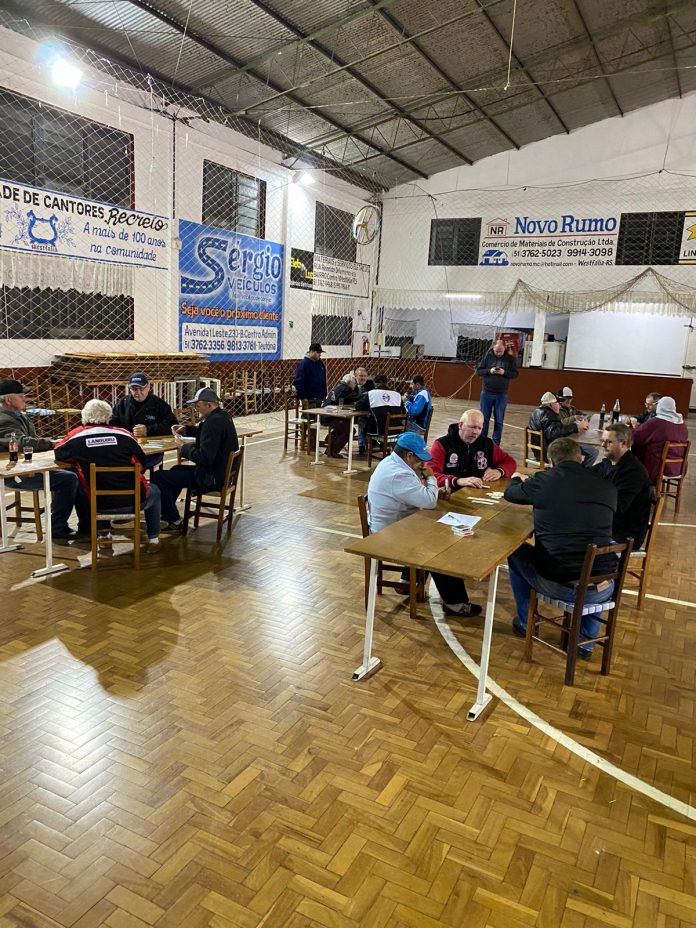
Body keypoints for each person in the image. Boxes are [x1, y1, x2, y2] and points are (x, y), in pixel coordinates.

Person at [504, 437, 618, 661]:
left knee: (516, 551)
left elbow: (511, 493)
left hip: (561, 584)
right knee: (595, 564)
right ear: (581, 458)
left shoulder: (544, 481)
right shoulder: (606, 486)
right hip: (604, 586)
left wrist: (516, 478)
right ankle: (585, 643)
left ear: (551, 462)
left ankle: (526, 623)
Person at [367, 432, 482, 616]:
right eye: (420, 459)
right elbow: (428, 502)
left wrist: (434, 492)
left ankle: (407, 580)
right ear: (409, 456)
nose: (423, 464)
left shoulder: (392, 462)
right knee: (439, 547)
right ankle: (455, 602)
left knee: (431, 536)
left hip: (394, 525)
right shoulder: (399, 474)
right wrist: (431, 478)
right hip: (388, 535)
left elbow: (415, 494)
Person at [54, 399, 161, 546]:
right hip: (134, 500)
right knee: (156, 490)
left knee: (90, 485)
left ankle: (104, 535)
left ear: (84, 416)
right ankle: (154, 539)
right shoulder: (125, 435)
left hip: (97, 504)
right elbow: (141, 464)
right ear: (108, 417)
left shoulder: (75, 437)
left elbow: (59, 453)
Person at [0, 378, 79, 540]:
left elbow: (31, 441)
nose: (25, 398)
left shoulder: (19, 415)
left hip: (26, 466)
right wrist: (51, 443)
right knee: (68, 479)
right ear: (8, 400)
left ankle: (80, 523)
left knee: (74, 469)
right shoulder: (3, 420)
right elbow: (22, 442)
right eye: (21, 395)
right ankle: (57, 528)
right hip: (13, 474)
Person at [152, 387, 238, 530]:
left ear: (209, 405)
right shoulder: (222, 416)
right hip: (221, 474)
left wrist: (183, 448)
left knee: (159, 477)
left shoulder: (212, 423)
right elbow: (207, 435)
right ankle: (169, 515)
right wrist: (187, 429)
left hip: (211, 479)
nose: (196, 409)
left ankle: (173, 519)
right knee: (175, 470)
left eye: (198, 406)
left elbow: (204, 458)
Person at [594, 423, 651, 549]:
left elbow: (619, 506)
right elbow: (586, 477)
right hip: (607, 525)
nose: (603, 445)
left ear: (623, 443)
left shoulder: (634, 472)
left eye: (609, 442)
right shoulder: (607, 464)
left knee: (575, 540)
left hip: (623, 535)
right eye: (602, 440)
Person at [429, 409, 516, 490]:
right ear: (460, 425)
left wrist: (499, 471)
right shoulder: (442, 445)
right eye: (472, 427)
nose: (476, 432)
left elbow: (509, 462)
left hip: (478, 492)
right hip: (450, 493)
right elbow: (429, 476)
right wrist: (457, 481)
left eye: (479, 428)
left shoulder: (487, 444)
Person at [631, 396, 689, 482]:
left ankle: (642, 484)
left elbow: (636, 437)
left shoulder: (656, 422)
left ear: (660, 406)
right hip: (678, 467)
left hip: (657, 467)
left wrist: (635, 427)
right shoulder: (682, 425)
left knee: (636, 450)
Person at [476, 339, 518, 445]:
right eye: (496, 351)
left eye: (500, 351)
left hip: (501, 394)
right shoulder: (487, 357)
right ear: (493, 348)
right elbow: (479, 371)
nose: (498, 353)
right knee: (484, 419)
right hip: (486, 393)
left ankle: (496, 443)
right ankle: (482, 442)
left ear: (504, 348)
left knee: (499, 420)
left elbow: (515, 374)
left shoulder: (510, 359)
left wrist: (504, 372)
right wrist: (489, 371)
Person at [110, 372, 177, 438]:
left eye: (141, 388)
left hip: (152, 442)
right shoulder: (122, 404)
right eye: (134, 389)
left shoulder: (159, 404)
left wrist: (149, 429)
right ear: (130, 389)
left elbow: (172, 426)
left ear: (148, 387)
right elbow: (112, 424)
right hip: (128, 441)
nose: (138, 392)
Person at [528, 391, 589, 462]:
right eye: (558, 403)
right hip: (549, 452)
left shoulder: (536, 412)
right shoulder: (549, 415)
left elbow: (554, 430)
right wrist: (577, 426)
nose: (560, 406)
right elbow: (555, 433)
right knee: (580, 452)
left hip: (538, 452)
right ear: (551, 404)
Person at [354, 374, 404, 443]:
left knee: (362, 419)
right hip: (397, 431)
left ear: (379, 383)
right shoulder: (397, 394)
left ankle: (362, 445)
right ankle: (379, 444)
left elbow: (358, 406)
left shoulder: (372, 393)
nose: (374, 386)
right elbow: (403, 412)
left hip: (379, 431)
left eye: (374, 383)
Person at [322, 371, 361, 457]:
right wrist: (366, 395)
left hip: (329, 415)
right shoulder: (345, 389)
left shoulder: (340, 387)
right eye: (355, 383)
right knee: (349, 430)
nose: (356, 385)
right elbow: (356, 397)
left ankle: (329, 442)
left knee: (347, 427)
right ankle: (333, 451)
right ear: (350, 382)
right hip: (329, 417)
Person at [556, 386, 598, 465]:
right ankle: (581, 469)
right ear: (560, 399)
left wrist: (586, 417)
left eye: (570, 398)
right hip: (564, 441)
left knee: (594, 450)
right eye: (567, 398)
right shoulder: (557, 410)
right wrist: (574, 418)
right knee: (593, 452)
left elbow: (582, 414)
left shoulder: (572, 408)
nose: (569, 401)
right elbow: (561, 423)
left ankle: (582, 469)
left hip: (574, 439)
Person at [293, 343, 327, 408]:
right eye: (318, 352)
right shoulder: (304, 364)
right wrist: (303, 397)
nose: (320, 354)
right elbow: (298, 382)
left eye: (320, 353)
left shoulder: (320, 363)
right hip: (309, 399)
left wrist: (324, 394)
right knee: (308, 414)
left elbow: (323, 380)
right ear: (311, 351)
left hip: (319, 398)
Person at [355, 367, 374, 453]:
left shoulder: (371, 385)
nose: (363, 378)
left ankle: (362, 445)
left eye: (365, 376)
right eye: (360, 376)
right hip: (353, 411)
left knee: (363, 419)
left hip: (366, 412)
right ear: (356, 376)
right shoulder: (351, 383)